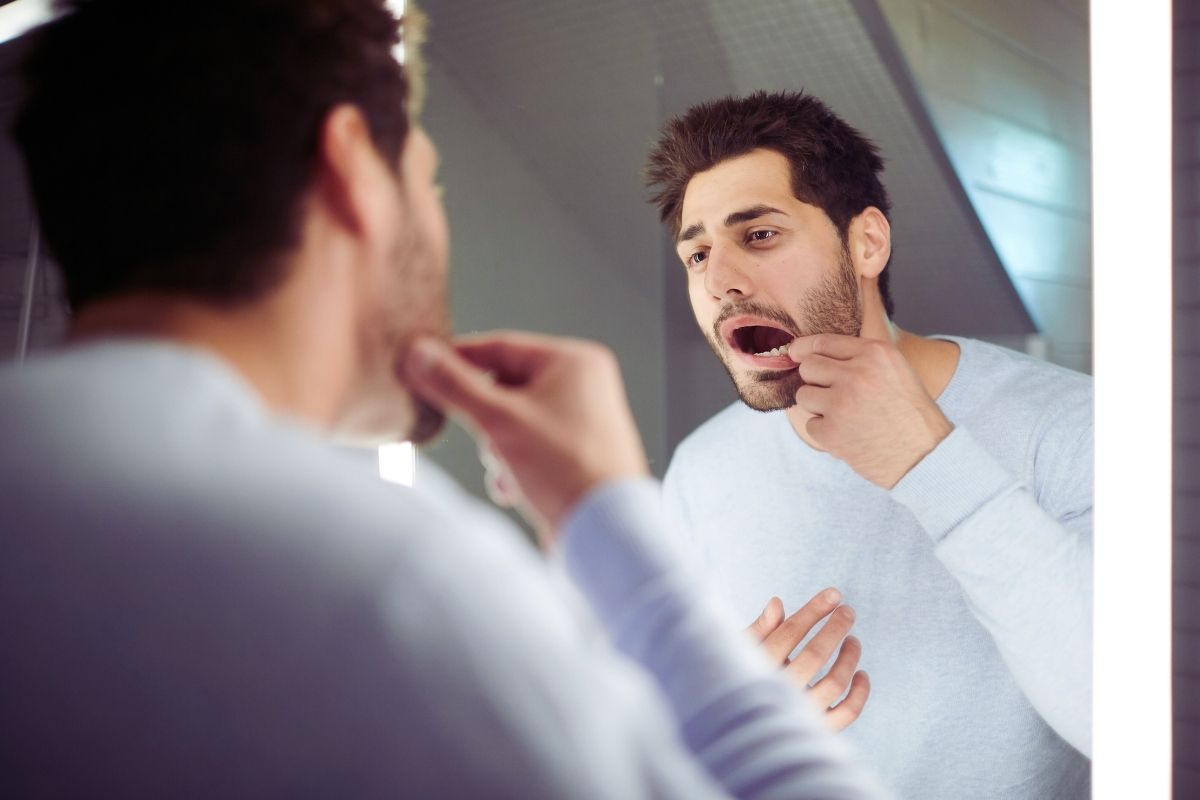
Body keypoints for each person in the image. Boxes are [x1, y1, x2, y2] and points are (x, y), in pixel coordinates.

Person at [0, 2, 890, 797]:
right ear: (354, 170)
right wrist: (615, 527)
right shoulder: (389, 583)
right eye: (428, 181)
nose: (721, 278)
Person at [644, 91, 1092, 799]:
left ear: (867, 243)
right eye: (697, 254)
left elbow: (1126, 718)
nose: (721, 281)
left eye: (759, 235)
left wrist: (929, 464)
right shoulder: (702, 470)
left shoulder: (1071, 426)